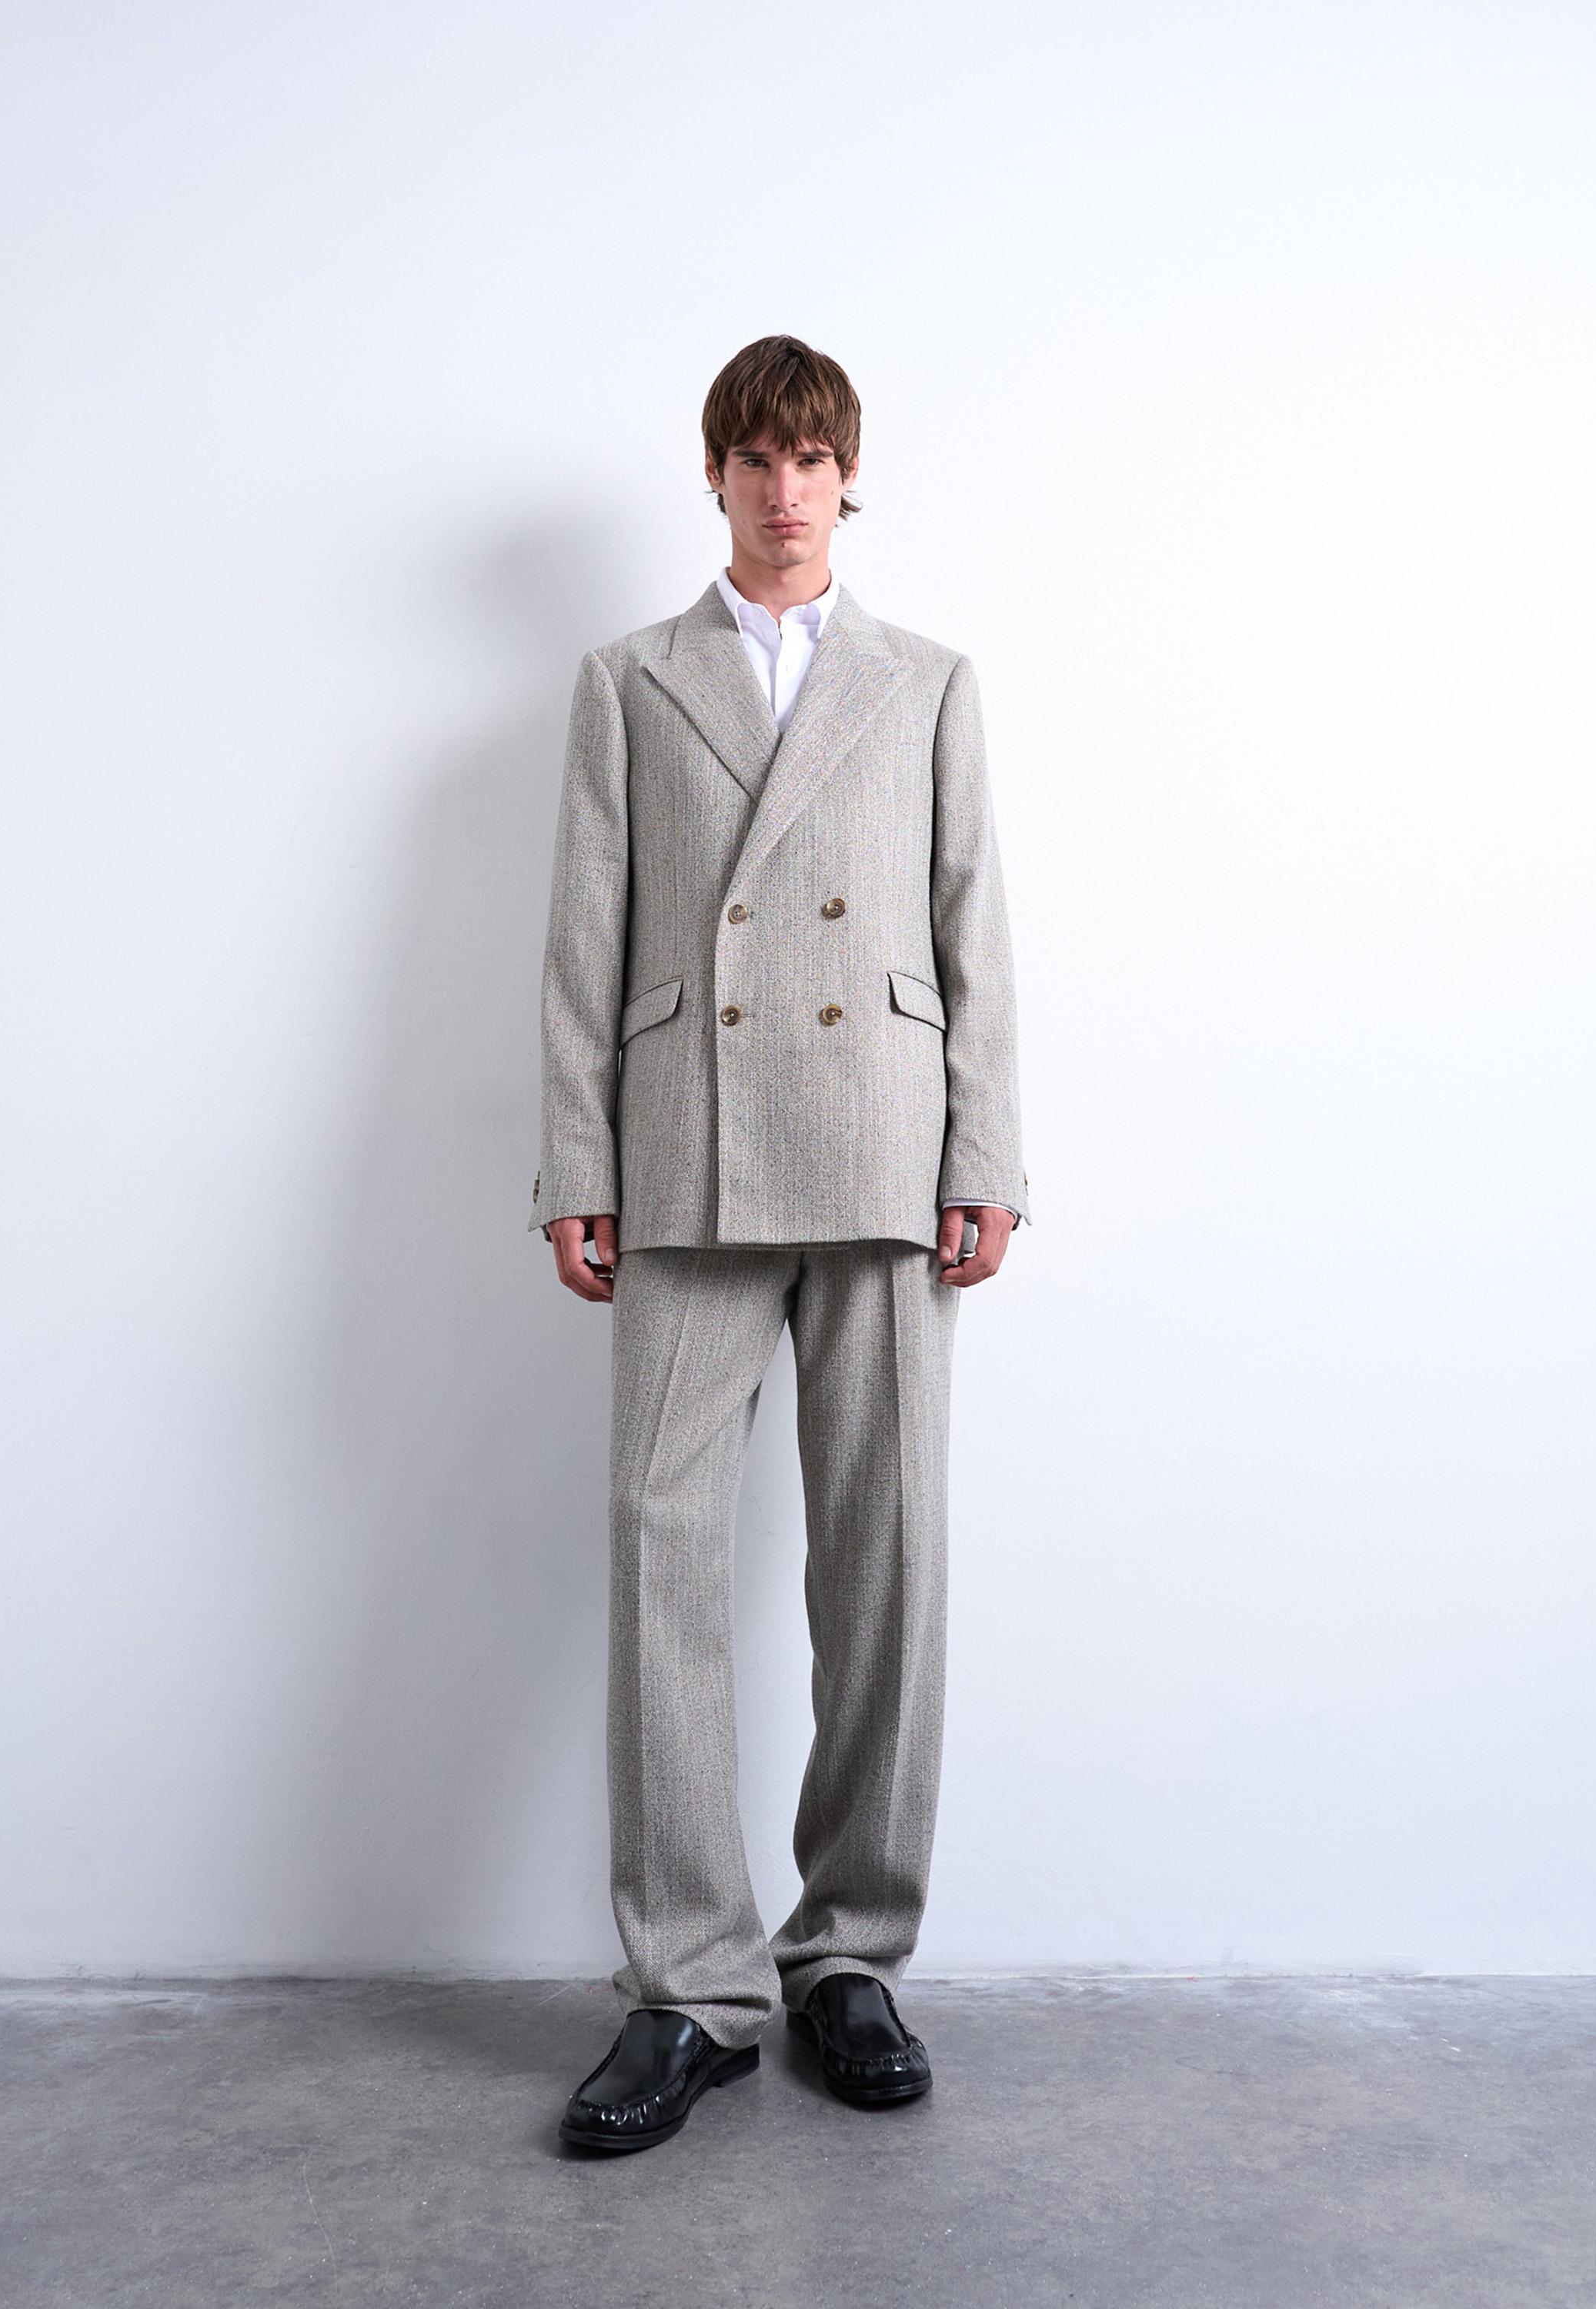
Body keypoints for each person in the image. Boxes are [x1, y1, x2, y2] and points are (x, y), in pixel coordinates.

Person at [529, 334, 1028, 2152]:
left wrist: (987, 1153)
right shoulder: (628, 680)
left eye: (809, 456)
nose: (782, 485)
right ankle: (688, 1987)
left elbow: (973, 927)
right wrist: (573, 1167)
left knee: (884, 1554)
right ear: (715, 476)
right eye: (753, 455)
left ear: (846, 475)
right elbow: (584, 942)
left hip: (884, 1151)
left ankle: (849, 1958)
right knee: (656, 1549)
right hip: (688, 1150)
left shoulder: (926, 681)